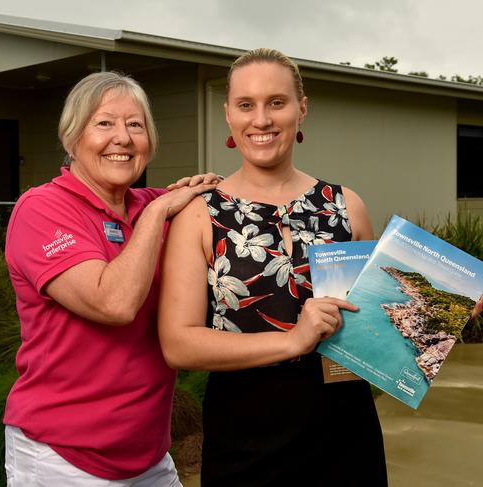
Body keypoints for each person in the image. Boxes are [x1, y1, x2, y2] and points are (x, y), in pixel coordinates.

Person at [158, 48, 388, 487]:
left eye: (276, 103)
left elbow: (374, 331)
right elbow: (178, 345)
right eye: (246, 105)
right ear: (228, 115)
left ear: (301, 109)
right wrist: (293, 341)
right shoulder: (199, 215)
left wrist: (439, 311)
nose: (261, 120)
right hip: (246, 442)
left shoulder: (347, 206)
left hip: (347, 436)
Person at [3, 71, 218, 486]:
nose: (122, 137)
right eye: (104, 123)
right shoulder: (41, 209)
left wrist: (214, 190)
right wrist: (157, 214)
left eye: (135, 125)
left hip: (150, 456)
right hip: (61, 459)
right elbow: (113, 303)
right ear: (72, 138)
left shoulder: (157, 203)